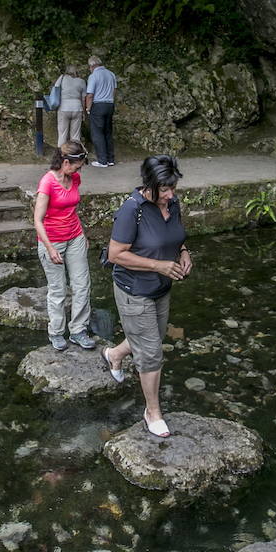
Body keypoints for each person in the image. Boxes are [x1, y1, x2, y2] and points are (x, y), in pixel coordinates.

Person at [102, 155, 191, 437]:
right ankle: (152, 412)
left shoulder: (172, 204)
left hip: (161, 287)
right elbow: (116, 254)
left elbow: (175, 236)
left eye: (172, 187)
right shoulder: (132, 210)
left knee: (154, 335)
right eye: (164, 189)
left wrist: (185, 253)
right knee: (151, 353)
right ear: (149, 185)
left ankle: (114, 354)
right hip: (134, 290)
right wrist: (159, 265)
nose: (170, 194)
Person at [34, 141, 97, 352]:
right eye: (78, 165)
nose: (80, 169)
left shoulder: (75, 178)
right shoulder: (47, 183)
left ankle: (78, 330)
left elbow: (72, 210)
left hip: (75, 237)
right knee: (58, 289)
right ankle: (57, 332)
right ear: (66, 162)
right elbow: (37, 220)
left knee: (82, 285)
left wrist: (82, 234)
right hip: (52, 241)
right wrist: (50, 248)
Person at [83, 55, 117, 168]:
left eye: (89, 67)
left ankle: (102, 160)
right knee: (108, 132)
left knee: (97, 133)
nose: (89, 69)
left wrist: (88, 108)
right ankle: (110, 159)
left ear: (92, 65)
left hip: (98, 105)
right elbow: (114, 91)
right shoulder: (111, 74)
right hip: (110, 104)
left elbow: (90, 95)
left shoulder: (94, 76)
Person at [52, 64, 87, 147]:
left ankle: (61, 155)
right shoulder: (81, 81)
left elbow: (55, 90)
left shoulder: (62, 78)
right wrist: (84, 112)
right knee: (75, 136)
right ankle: (74, 155)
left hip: (64, 107)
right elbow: (83, 98)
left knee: (62, 134)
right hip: (77, 108)